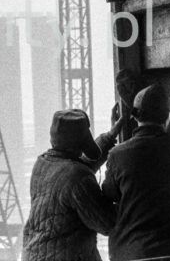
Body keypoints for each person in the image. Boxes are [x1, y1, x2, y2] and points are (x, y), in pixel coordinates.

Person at [102, 84, 170, 260]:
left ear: (135, 116)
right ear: (168, 115)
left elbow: (109, 195)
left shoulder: (118, 155)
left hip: (133, 253)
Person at [23, 109, 117, 261]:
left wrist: (109, 137)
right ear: (81, 144)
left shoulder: (42, 164)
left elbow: (74, 172)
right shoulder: (77, 177)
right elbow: (106, 223)